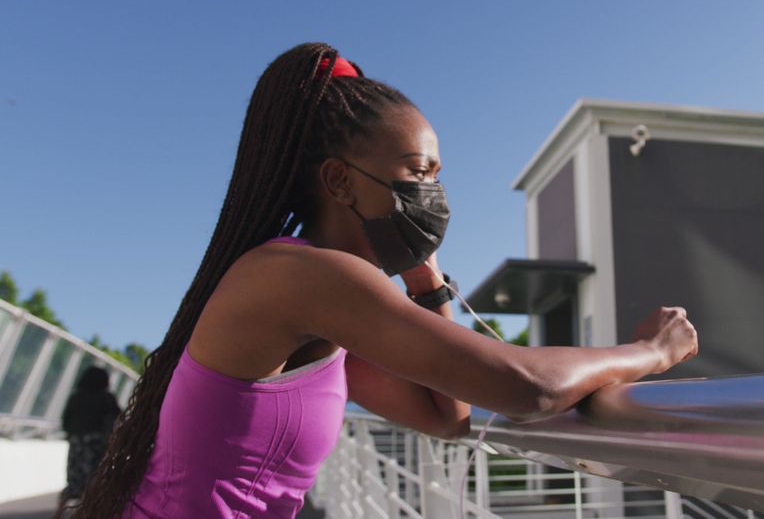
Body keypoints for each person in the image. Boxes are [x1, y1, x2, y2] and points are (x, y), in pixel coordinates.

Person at [67, 43, 697, 519]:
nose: (434, 193)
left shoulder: (319, 301)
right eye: (418, 171)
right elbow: (524, 387)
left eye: (437, 174)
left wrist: (427, 286)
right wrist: (649, 352)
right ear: (340, 182)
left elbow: (444, 414)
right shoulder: (303, 276)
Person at [57, 366, 120, 513]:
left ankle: (59, 513)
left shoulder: (76, 397)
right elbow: (119, 418)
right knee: (95, 483)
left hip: (77, 444)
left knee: (73, 484)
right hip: (98, 445)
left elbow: (65, 422)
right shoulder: (107, 398)